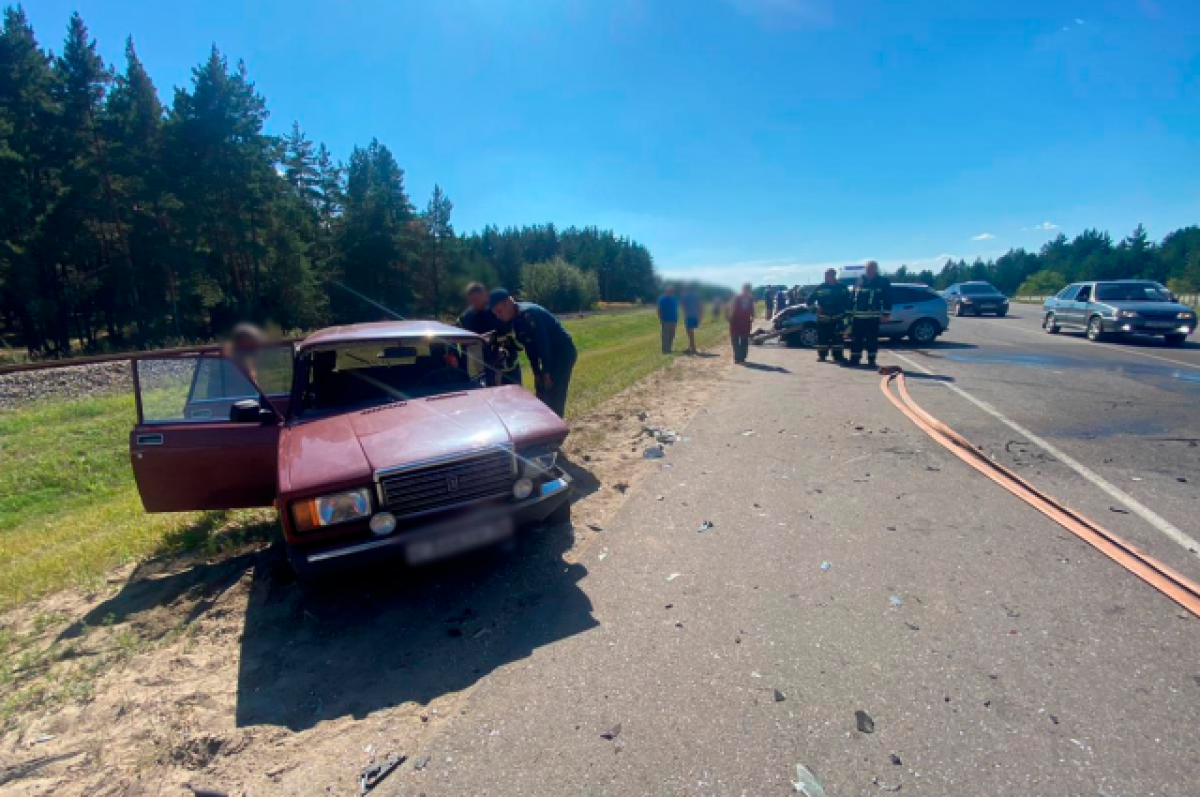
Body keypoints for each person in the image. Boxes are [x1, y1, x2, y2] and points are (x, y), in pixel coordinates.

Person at [490, 289, 577, 418]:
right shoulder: (516, 320)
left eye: (499, 311)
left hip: (562, 352)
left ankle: (556, 425)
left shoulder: (529, 313)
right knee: (541, 389)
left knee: (554, 391)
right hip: (549, 354)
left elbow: (543, 341)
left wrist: (546, 370)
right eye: (496, 314)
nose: (499, 316)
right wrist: (536, 372)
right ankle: (544, 422)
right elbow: (529, 345)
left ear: (507, 303)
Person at [458, 282, 522, 386]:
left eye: (476, 299)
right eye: (471, 300)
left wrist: (503, 350)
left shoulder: (498, 311)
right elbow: (461, 343)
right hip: (483, 368)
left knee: (515, 391)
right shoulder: (466, 318)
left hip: (508, 364)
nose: (474, 303)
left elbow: (511, 333)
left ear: (485, 296)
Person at [847, 260, 892, 368]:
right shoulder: (860, 280)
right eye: (868, 269)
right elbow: (852, 297)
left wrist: (886, 314)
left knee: (872, 340)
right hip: (858, 316)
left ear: (876, 269)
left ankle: (871, 360)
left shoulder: (883, 281)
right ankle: (854, 359)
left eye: (871, 268)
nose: (869, 271)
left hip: (873, 317)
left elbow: (888, 298)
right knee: (856, 339)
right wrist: (848, 313)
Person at [807, 268, 851, 363]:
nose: (827, 277)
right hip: (823, 317)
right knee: (823, 337)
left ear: (834, 276)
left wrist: (847, 313)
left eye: (829, 275)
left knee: (838, 337)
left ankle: (838, 356)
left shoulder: (842, 287)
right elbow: (809, 301)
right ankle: (822, 355)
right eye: (826, 276)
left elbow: (848, 300)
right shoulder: (820, 287)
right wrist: (814, 309)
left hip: (838, 317)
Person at [727, 283, 755, 364]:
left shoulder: (750, 299)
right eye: (746, 289)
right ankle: (737, 357)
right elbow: (730, 307)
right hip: (735, 322)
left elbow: (752, 309)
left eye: (748, 289)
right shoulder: (736, 297)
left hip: (746, 322)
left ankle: (742, 357)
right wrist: (729, 318)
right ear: (742, 289)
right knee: (735, 340)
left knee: (744, 340)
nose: (747, 291)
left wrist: (752, 317)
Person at [657, 284, 679, 354]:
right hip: (665, 320)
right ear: (666, 291)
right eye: (669, 291)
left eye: (672, 291)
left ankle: (669, 348)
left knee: (672, 335)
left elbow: (675, 308)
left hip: (673, 320)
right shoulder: (662, 299)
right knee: (665, 336)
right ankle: (665, 350)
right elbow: (659, 310)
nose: (671, 292)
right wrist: (661, 319)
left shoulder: (674, 298)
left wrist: (676, 318)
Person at [680, 285, 702, 354]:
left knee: (690, 332)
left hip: (688, 316)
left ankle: (693, 348)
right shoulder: (696, 295)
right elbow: (699, 306)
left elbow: (683, 306)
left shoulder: (684, 296)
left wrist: (684, 313)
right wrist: (699, 316)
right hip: (695, 316)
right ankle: (691, 346)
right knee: (691, 332)